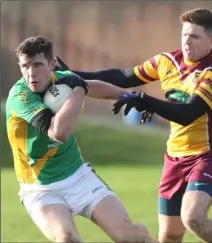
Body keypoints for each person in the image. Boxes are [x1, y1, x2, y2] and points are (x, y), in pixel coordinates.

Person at [67, 8, 212, 243]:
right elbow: (124, 77)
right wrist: (71, 74)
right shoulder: (167, 61)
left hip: (209, 154)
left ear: (211, 40)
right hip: (175, 156)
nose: (187, 41)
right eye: (184, 34)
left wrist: (145, 101)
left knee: (193, 217)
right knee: (170, 235)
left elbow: (187, 113)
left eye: (195, 36)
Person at [5, 36, 157, 243]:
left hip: (78, 176)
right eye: (25, 66)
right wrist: (78, 90)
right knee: (67, 239)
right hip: (40, 188)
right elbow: (59, 133)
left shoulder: (62, 79)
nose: (31, 74)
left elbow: (91, 86)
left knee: (129, 237)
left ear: (51, 64)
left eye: (37, 65)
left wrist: (130, 97)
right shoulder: (20, 97)